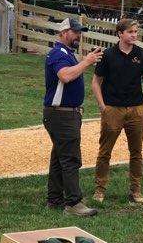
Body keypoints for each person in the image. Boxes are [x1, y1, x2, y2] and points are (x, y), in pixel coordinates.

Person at [92, 18, 143, 204]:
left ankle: (136, 190)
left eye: (135, 32)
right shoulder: (108, 55)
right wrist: (103, 107)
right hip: (112, 109)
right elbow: (96, 82)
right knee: (105, 152)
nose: (134, 35)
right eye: (130, 32)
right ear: (120, 34)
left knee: (136, 152)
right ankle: (99, 190)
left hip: (136, 110)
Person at [43, 18, 102, 216]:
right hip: (62, 116)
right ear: (63, 32)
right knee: (70, 159)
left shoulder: (67, 54)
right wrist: (87, 61)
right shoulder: (58, 53)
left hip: (64, 115)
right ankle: (73, 203)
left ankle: (55, 199)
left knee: (59, 159)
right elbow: (65, 76)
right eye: (75, 32)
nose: (79, 35)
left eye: (80, 32)